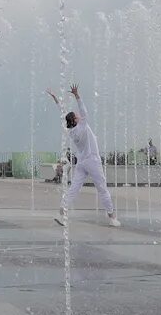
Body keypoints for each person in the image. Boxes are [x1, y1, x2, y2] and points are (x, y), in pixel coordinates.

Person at [47, 85, 119, 227]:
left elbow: (63, 114)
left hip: (81, 163)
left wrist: (55, 99)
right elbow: (83, 110)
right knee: (102, 188)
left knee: (73, 188)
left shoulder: (72, 131)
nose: (78, 115)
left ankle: (62, 213)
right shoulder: (83, 125)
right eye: (76, 115)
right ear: (75, 120)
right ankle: (112, 217)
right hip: (92, 160)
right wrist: (77, 95)